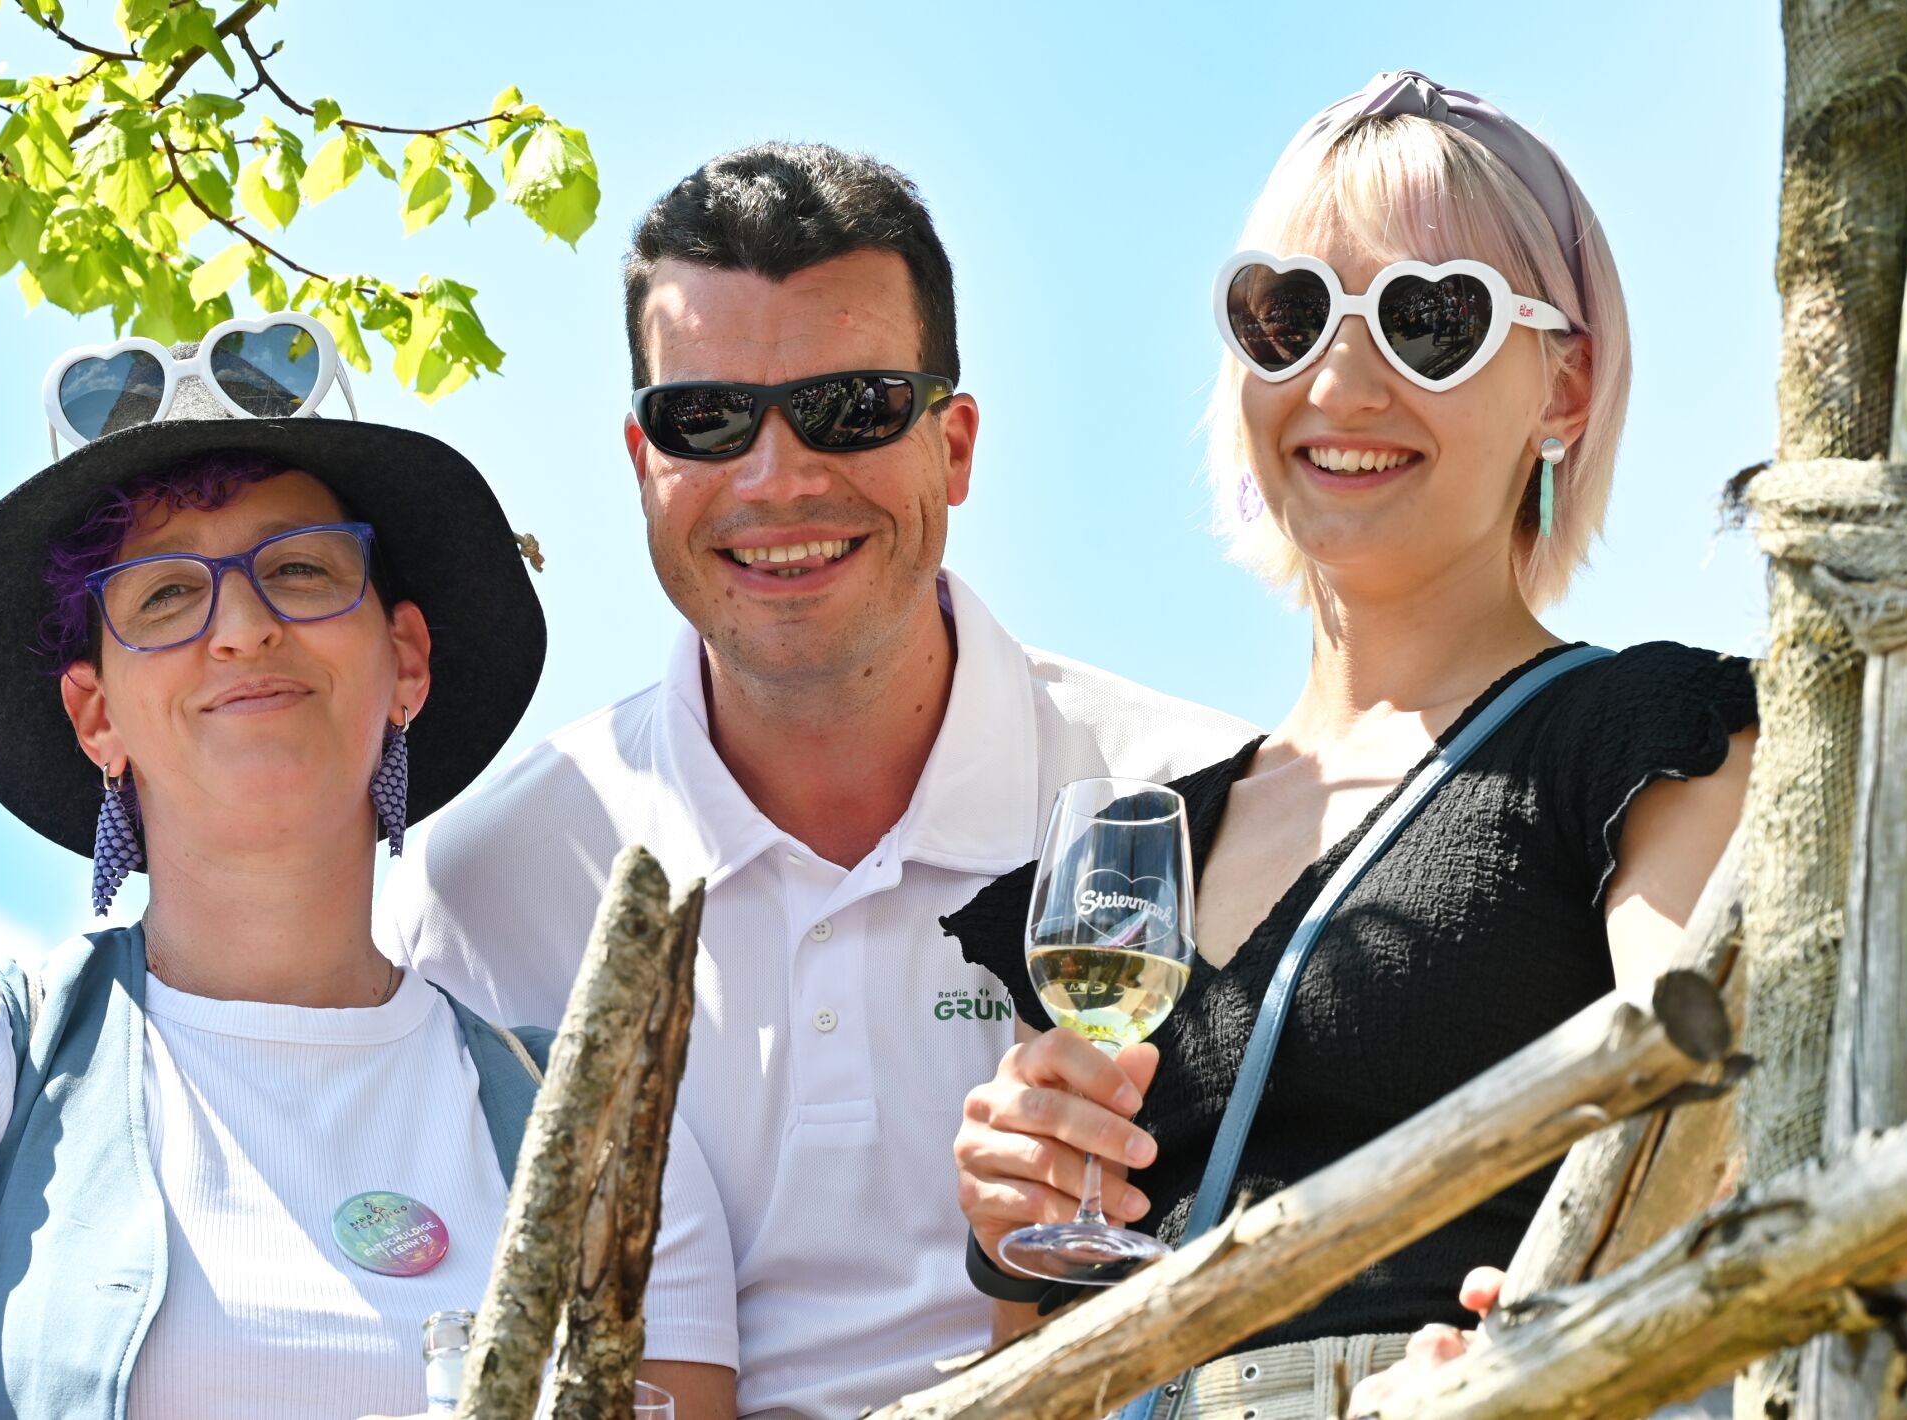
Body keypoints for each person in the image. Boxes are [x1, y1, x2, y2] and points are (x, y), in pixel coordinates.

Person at [385, 143, 1257, 1417]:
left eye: (851, 408)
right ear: (641, 462)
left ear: (954, 446)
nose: (777, 478)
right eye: (705, 418)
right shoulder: (480, 891)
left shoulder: (1199, 801)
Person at [946, 71, 1759, 1417]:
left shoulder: (1640, 744)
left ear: (1565, 385)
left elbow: (1710, 1151)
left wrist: (1536, 1345)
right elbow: (1033, 1370)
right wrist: (1012, 1223)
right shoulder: (1140, 848)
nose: (1338, 379)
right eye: (1288, 315)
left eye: (1429, 319)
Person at [0, 330, 737, 1420]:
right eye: (165, 595)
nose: (242, 628)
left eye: (300, 570)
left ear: (404, 661)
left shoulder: (608, 1131)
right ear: (95, 714)